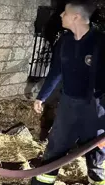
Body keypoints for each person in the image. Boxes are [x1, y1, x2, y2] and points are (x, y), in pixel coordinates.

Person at [31, 0, 105, 184]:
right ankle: (43, 181)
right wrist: (42, 97)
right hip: (68, 105)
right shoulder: (64, 41)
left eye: (64, 13)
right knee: (56, 147)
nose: (61, 16)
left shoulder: (101, 43)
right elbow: (56, 71)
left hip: (95, 107)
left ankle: (97, 179)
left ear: (76, 17)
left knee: (96, 150)